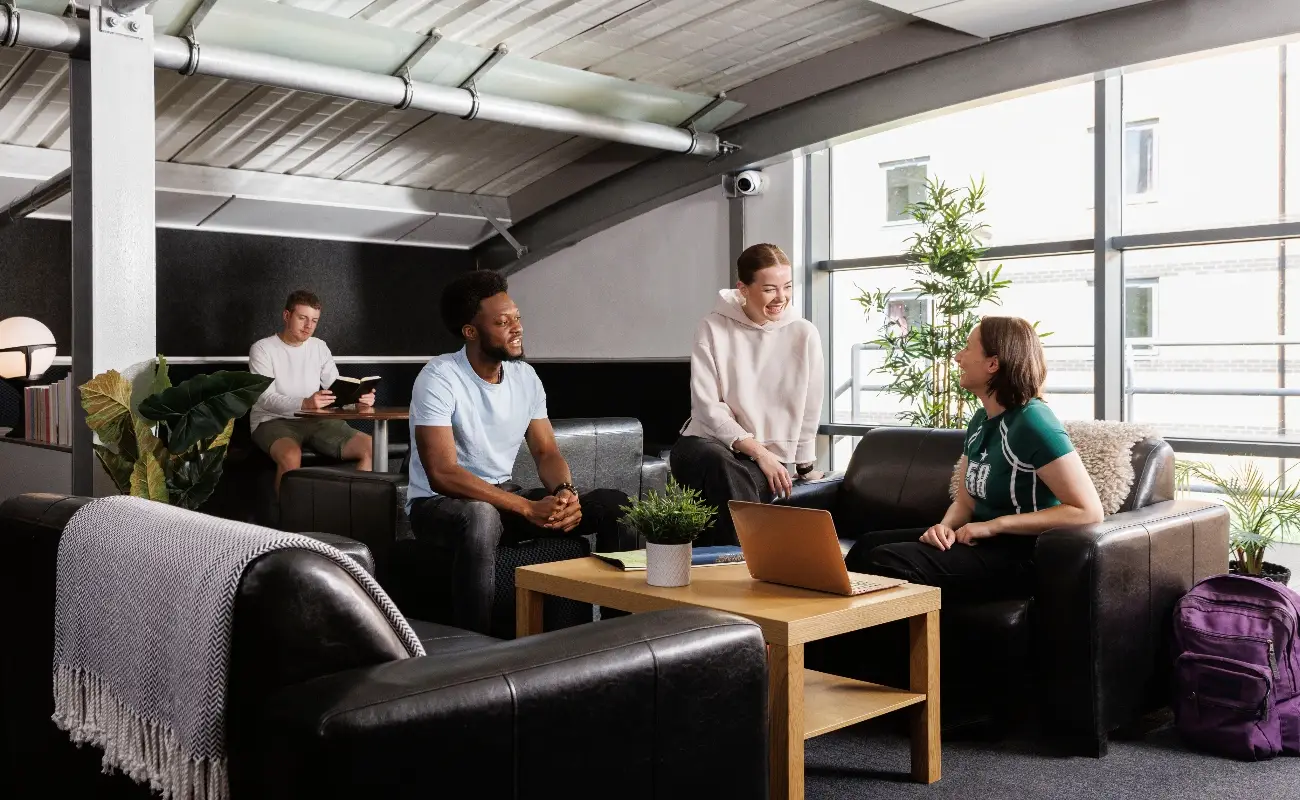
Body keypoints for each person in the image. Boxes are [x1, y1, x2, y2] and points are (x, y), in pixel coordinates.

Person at [407, 270, 633, 634]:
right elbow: (442, 472)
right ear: (471, 331)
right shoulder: (439, 377)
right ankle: (473, 650)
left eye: (517, 318)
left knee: (614, 505)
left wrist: (565, 493)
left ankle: (617, 636)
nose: (517, 327)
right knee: (481, 517)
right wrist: (527, 507)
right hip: (438, 506)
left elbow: (546, 451)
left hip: (502, 497)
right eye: (502, 321)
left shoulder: (524, 377)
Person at [844, 316, 1104, 602]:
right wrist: (944, 527)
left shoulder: (1033, 422)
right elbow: (966, 502)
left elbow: (1088, 510)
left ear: (993, 364)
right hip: (980, 540)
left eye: (967, 349)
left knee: (886, 560)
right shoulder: (981, 420)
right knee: (867, 546)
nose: (957, 357)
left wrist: (995, 525)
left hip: (1020, 553)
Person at [670, 243, 825, 546]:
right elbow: (706, 407)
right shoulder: (712, 327)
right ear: (743, 288)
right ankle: (752, 562)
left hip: (752, 464)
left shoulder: (803, 333)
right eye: (769, 289)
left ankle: (731, 566)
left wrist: (803, 462)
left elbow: (810, 403)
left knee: (737, 477)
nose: (781, 298)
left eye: (787, 287)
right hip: (705, 446)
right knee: (722, 464)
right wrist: (761, 452)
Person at [248, 290, 374, 493]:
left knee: (371, 447)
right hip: (272, 421)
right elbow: (264, 399)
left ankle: (355, 512)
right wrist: (305, 403)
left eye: (314, 320)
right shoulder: (262, 349)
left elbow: (336, 388)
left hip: (316, 419)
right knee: (290, 455)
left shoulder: (319, 347)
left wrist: (358, 399)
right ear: (286, 315)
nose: (308, 326)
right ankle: (285, 524)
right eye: (302, 318)